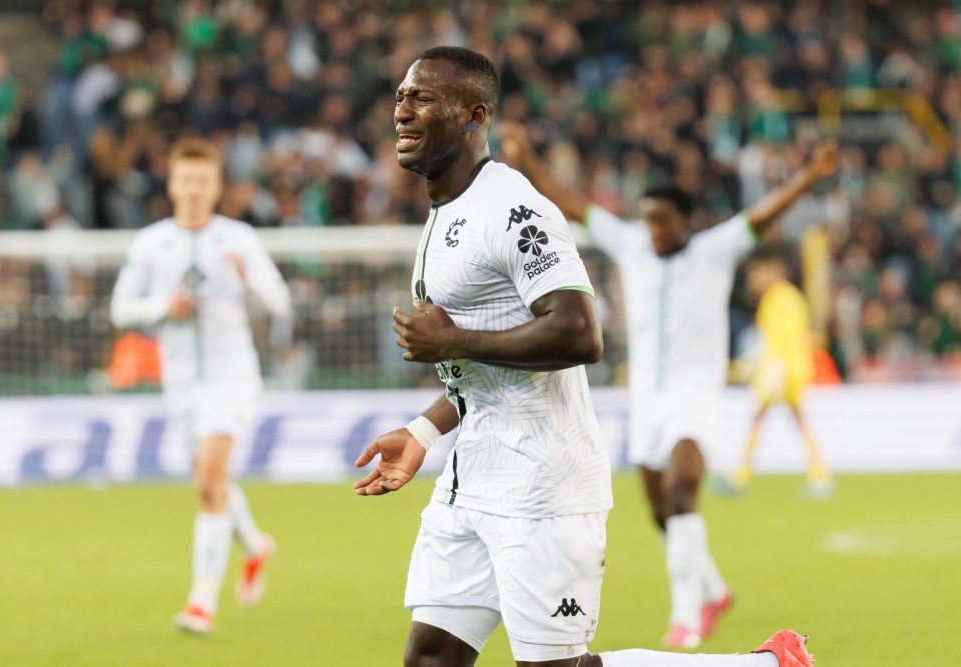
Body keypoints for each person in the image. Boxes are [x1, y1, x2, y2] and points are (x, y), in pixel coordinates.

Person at [354, 45, 815, 667]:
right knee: (431, 659)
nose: (402, 112)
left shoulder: (514, 209)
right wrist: (422, 430)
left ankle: (758, 666)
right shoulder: (447, 212)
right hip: (472, 478)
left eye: (422, 98)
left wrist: (450, 341)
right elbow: (486, 370)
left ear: (473, 115)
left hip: (544, 483)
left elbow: (578, 334)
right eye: (401, 97)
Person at [501, 122, 839, 650]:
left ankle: (687, 616)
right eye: (649, 221)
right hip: (647, 401)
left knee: (683, 492)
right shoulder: (632, 244)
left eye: (662, 221)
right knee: (663, 513)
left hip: (695, 397)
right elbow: (571, 202)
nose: (654, 230)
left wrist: (809, 176)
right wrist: (526, 160)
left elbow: (764, 214)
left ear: (685, 221)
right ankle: (714, 588)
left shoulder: (713, 249)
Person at [111, 137, 290, 634]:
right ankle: (255, 545)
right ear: (171, 184)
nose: (193, 189)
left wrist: (247, 279)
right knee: (215, 483)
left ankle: (200, 603)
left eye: (202, 181)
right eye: (185, 180)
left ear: (216, 187)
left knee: (207, 483)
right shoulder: (151, 243)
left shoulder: (238, 239)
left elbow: (279, 301)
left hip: (232, 378)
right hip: (180, 385)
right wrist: (160, 310)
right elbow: (120, 308)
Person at [726, 249, 833, 497]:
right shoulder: (787, 297)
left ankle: (740, 477)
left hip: (782, 371)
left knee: (763, 420)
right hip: (789, 369)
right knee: (794, 421)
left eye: (756, 275)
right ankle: (819, 475)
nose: (753, 281)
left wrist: (773, 369)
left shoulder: (779, 298)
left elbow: (784, 339)